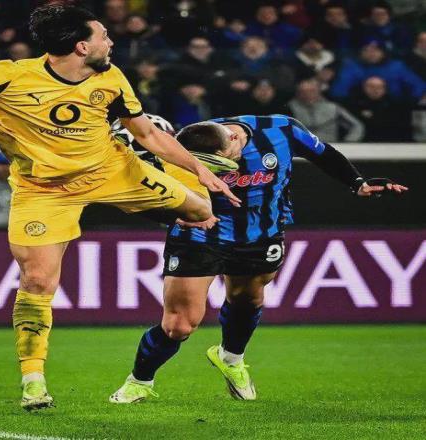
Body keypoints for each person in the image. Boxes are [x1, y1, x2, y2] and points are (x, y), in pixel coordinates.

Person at [0, 4, 240, 411]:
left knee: (201, 210)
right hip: (44, 190)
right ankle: (33, 381)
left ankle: (162, 212)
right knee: (37, 281)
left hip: (113, 170)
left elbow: (147, 133)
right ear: (81, 46)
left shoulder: (111, 78)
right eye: (103, 36)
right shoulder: (7, 76)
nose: (110, 41)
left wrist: (199, 168)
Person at [109, 114, 408, 403]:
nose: (222, 168)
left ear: (234, 138)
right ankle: (139, 382)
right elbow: (137, 195)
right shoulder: (186, 145)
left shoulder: (281, 129)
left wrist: (357, 183)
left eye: (224, 161)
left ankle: (230, 358)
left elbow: (323, 153)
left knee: (247, 300)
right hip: (201, 233)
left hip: (261, 235)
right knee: (179, 325)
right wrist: (172, 215)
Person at [289, 79, 365, 142]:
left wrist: (349, 142)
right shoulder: (289, 108)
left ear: (319, 91)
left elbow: (357, 126)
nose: (307, 94)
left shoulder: (333, 108)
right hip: (300, 148)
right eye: (303, 92)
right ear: (298, 93)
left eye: (312, 91)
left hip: (330, 147)